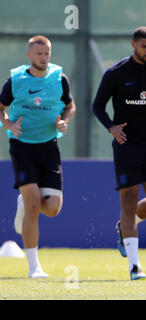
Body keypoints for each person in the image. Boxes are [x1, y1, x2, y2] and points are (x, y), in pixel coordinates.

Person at [92, 26, 146, 281]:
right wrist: (111, 128)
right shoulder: (116, 74)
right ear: (133, 45)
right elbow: (97, 106)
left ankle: (123, 227)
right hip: (127, 144)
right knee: (128, 201)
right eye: (144, 47)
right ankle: (135, 267)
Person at [0, 35, 76, 278]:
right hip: (22, 146)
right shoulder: (15, 81)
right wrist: (9, 124)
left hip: (49, 147)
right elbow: (1, 108)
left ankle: (24, 203)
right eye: (39, 53)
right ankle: (34, 267)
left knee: (52, 208)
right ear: (29, 56)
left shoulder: (59, 79)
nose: (44, 58)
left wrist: (65, 120)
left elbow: (70, 105)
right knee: (34, 204)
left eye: (47, 53)